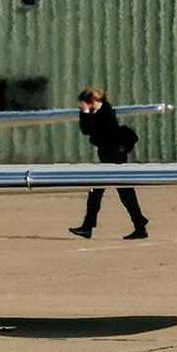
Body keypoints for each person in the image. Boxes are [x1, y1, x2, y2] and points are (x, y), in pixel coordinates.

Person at [69, 86, 148, 240]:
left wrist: (85, 113)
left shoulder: (106, 112)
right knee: (96, 191)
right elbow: (86, 129)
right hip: (106, 155)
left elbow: (90, 129)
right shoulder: (96, 112)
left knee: (125, 192)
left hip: (116, 155)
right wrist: (84, 112)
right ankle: (88, 227)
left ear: (91, 101)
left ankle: (139, 225)